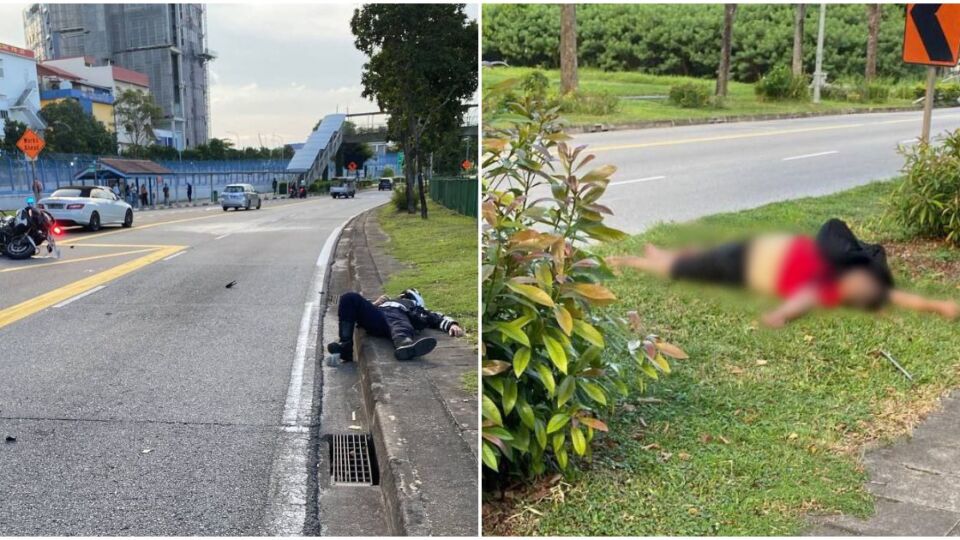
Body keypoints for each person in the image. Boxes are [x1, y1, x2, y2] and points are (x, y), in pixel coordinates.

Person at [607, 218, 960, 328]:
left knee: (702, 263)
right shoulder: (839, 272)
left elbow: (897, 297)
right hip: (761, 256)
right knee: (699, 262)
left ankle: (648, 259)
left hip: (758, 261)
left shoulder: (836, 278)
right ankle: (645, 260)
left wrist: (939, 308)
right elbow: (894, 296)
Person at [327, 288, 464, 363]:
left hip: (398, 322)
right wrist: (375, 304)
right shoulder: (386, 303)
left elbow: (436, 317)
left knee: (397, 318)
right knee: (349, 297)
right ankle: (345, 346)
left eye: (405, 296)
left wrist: (452, 324)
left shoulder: (416, 308)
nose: (401, 297)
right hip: (378, 319)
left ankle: (403, 344)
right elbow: (357, 310)